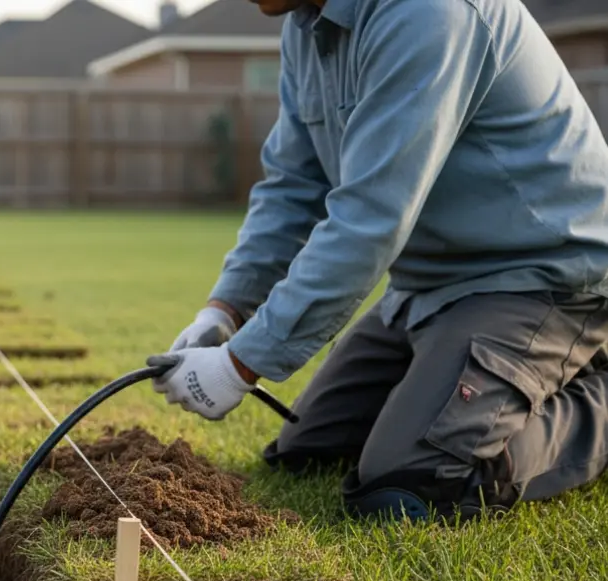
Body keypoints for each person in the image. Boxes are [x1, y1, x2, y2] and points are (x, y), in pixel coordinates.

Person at [150, 0, 608, 520]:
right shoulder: (307, 28)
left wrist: (239, 365)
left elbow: (370, 217)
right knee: (307, 452)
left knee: (413, 484)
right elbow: (293, 187)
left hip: (542, 277)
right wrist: (223, 310)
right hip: (425, 287)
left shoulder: (429, 12)